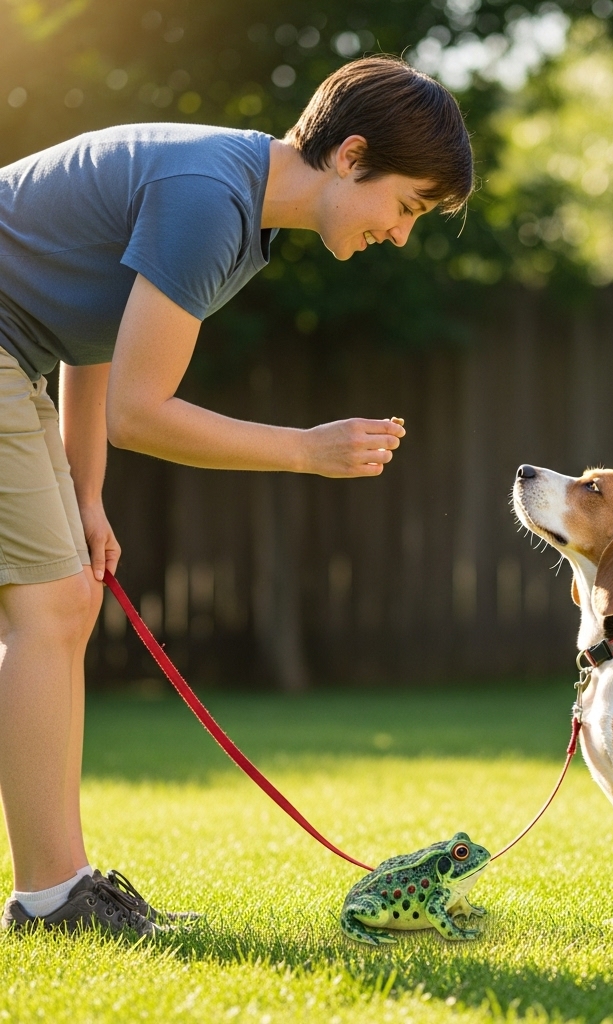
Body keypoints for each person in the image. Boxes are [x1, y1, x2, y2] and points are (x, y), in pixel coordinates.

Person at [0, 55, 473, 936]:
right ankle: (53, 898)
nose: (400, 235)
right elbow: (144, 412)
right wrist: (305, 449)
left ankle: (58, 891)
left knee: (62, 602)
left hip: (18, 346)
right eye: (405, 205)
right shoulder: (209, 199)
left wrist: (86, 492)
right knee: (52, 602)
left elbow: (96, 338)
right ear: (351, 155)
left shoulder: (243, 213)